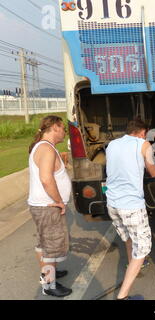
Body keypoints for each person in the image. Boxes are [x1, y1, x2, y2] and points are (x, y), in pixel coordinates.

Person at [106, 118, 155, 300]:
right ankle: (123, 296)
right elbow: (153, 172)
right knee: (143, 248)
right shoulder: (143, 144)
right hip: (131, 205)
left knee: (128, 238)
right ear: (142, 132)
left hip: (112, 203)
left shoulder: (112, 145)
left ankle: (133, 264)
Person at [27, 115, 72, 298]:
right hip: (48, 206)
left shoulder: (45, 147)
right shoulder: (46, 149)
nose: (64, 132)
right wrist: (60, 201)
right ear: (54, 127)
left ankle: (49, 273)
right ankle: (49, 284)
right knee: (51, 247)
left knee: (43, 244)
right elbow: (46, 179)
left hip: (41, 205)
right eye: (63, 128)